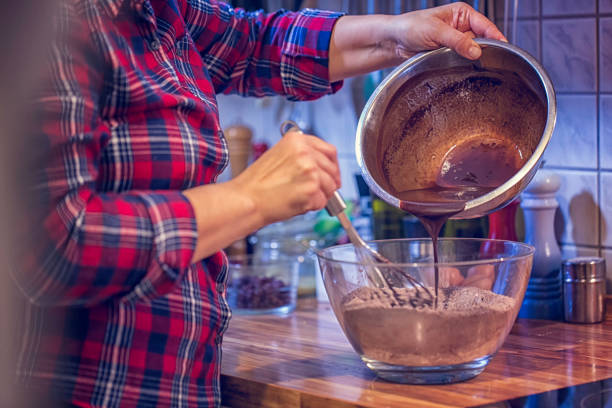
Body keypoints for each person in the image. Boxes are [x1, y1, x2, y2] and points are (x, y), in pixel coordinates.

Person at [13, 0, 505, 406]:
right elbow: (53, 243)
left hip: (182, 387)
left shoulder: (160, 12)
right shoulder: (50, 22)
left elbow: (252, 44)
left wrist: (396, 35)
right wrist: (251, 198)